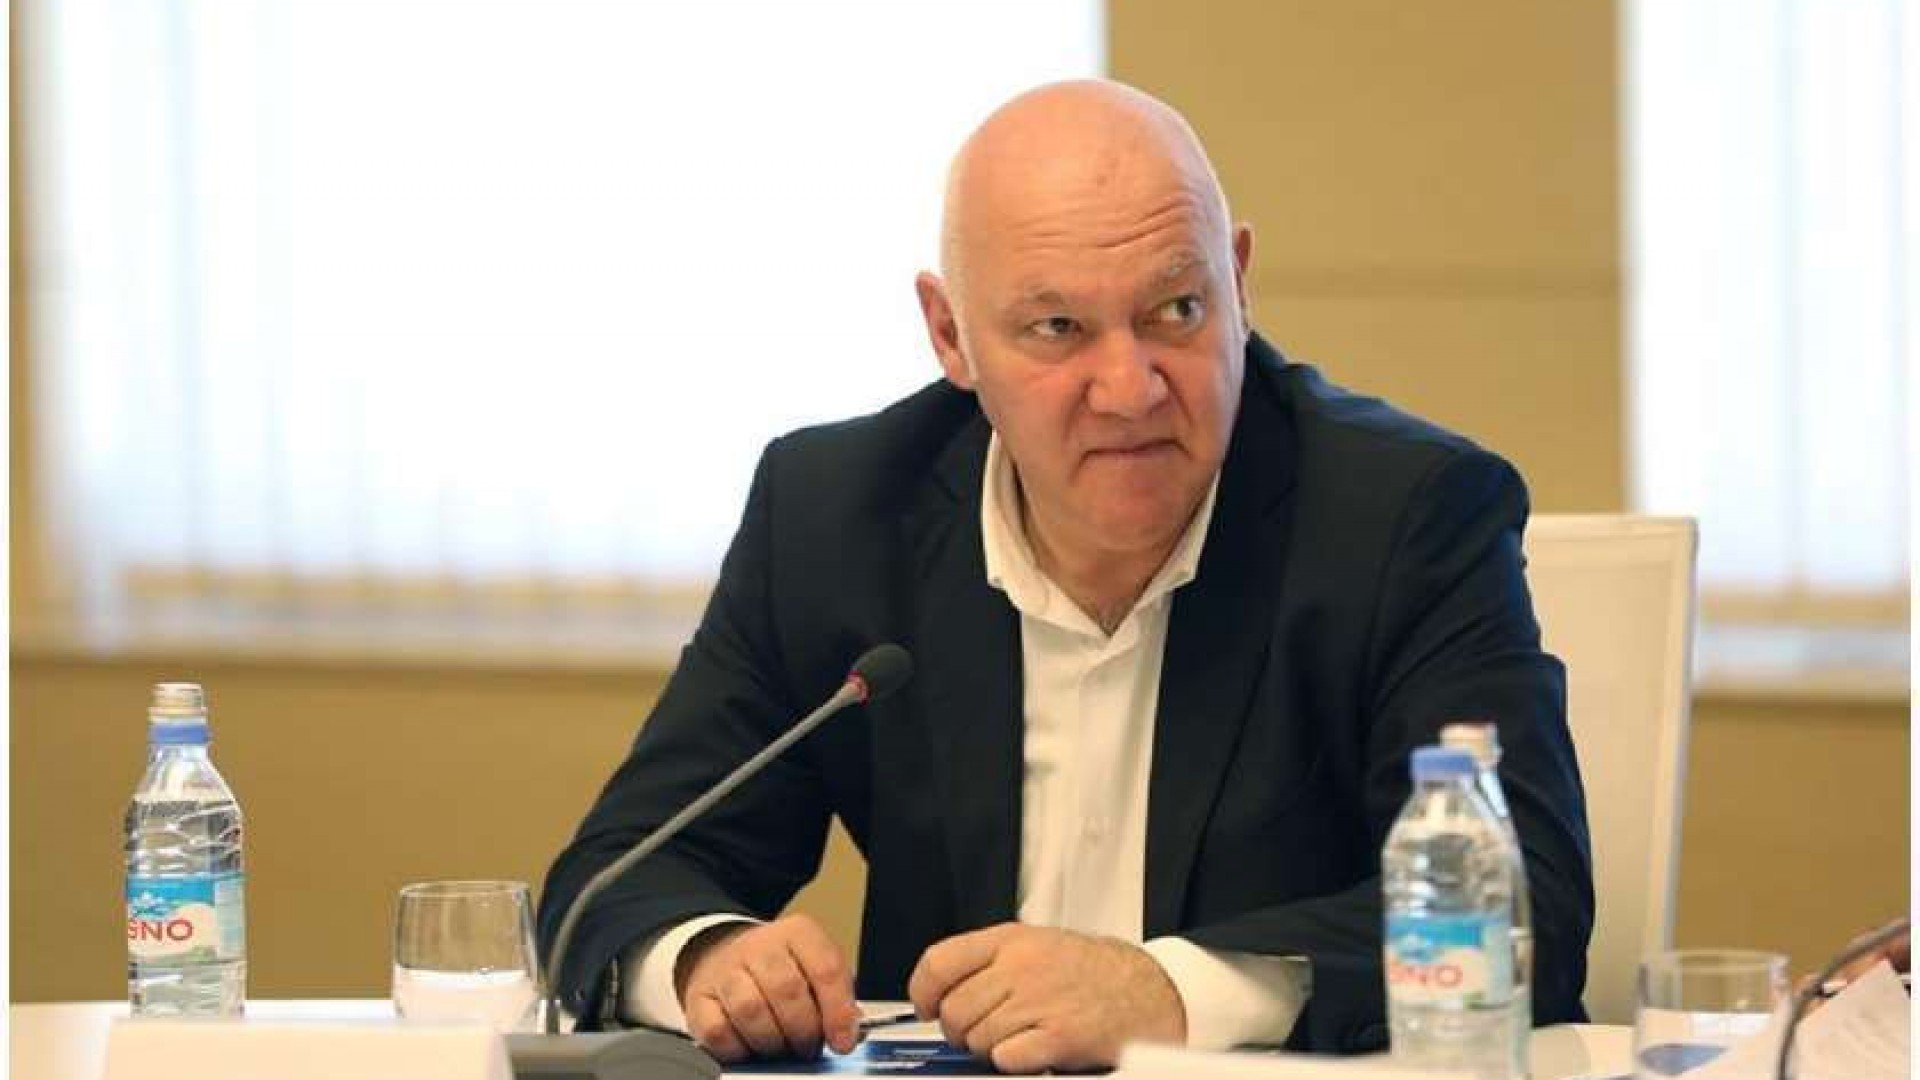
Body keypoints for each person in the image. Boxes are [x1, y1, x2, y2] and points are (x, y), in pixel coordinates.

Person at [538, 79, 1593, 1072]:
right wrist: (709, 960)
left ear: (1238, 282)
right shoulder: (836, 515)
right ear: (951, 335)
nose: (1130, 389)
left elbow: (1524, 907)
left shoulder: (1404, 516)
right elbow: (618, 878)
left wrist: (1169, 993)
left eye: (1176, 311)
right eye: (1058, 329)